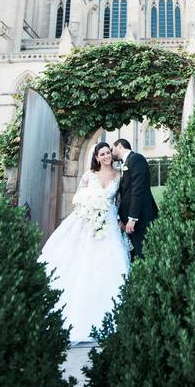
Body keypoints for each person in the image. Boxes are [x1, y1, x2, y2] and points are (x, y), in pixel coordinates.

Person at [38, 142, 130, 364]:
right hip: (88, 221)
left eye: (108, 153)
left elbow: (120, 200)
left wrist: (119, 216)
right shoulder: (89, 175)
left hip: (108, 221)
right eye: (102, 154)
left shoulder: (119, 175)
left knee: (112, 261)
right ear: (97, 157)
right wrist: (90, 204)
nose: (106, 156)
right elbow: (77, 198)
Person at [111, 138, 159, 260]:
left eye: (112, 149)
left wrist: (132, 218)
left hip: (141, 218)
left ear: (119, 145)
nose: (111, 153)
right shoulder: (125, 163)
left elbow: (138, 190)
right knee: (135, 254)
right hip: (129, 221)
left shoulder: (136, 159)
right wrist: (122, 218)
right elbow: (125, 194)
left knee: (144, 254)